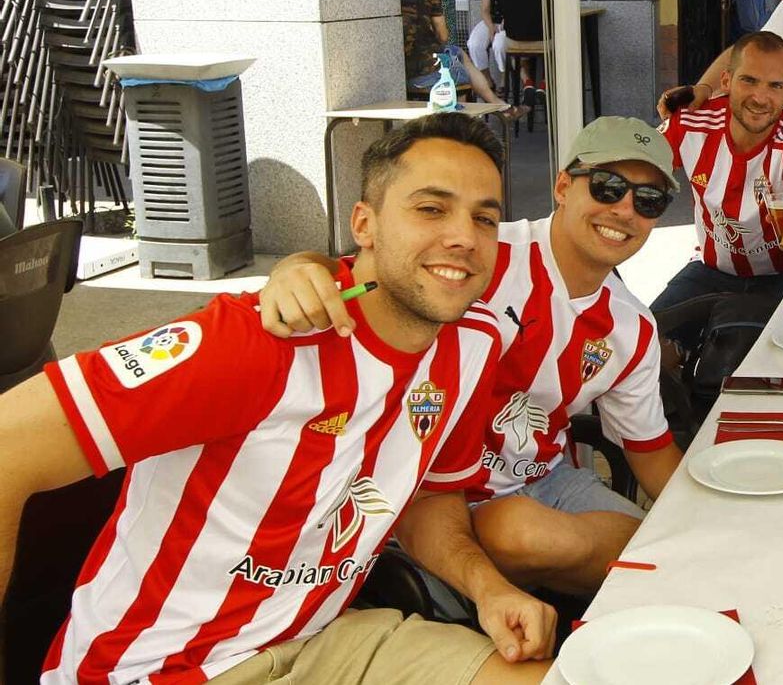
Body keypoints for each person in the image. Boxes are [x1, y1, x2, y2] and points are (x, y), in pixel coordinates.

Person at [0, 114, 555, 684]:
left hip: (324, 640)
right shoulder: (253, 340)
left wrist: (490, 590)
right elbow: (8, 444)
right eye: (431, 209)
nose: (464, 236)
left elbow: (429, 498)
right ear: (364, 223)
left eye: (485, 217)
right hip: (164, 667)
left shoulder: (474, 343)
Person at [260, 117, 683, 600]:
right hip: (426, 495)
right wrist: (297, 266)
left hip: (544, 481)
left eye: (648, 201)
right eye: (608, 187)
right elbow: (364, 269)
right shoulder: (478, 252)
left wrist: (709, 516)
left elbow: (648, 447)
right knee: (530, 536)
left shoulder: (631, 325)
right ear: (563, 186)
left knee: (680, 566)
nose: (625, 210)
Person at [653, 31, 783, 312]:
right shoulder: (690, 123)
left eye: (774, 86)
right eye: (749, 80)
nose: (760, 98)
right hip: (711, 272)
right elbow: (640, 164)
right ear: (726, 81)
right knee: (652, 341)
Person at [400, 0, 519, 116]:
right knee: (458, 61)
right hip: (425, 67)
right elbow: (444, 34)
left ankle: (496, 104)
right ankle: (486, 110)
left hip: (399, 68)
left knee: (458, 54)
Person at [468, 0, 519, 84]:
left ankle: (504, 78)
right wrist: (490, 27)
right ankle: (487, 79)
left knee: (499, 45)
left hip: (509, 23)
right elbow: (485, 9)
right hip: (490, 19)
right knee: (474, 44)